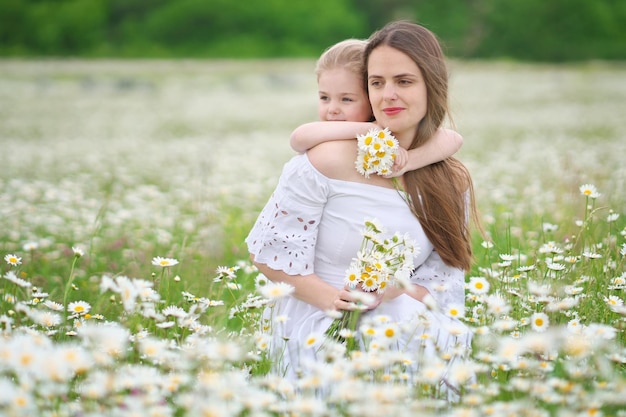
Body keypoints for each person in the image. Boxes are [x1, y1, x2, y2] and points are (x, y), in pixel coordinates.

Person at [246, 21, 479, 387]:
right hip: (322, 325)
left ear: (432, 86)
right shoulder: (325, 160)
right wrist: (339, 302)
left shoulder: (449, 179)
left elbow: (444, 281)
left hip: (409, 329)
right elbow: (269, 254)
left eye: (404, 81)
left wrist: (399, 291)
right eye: (376, 83)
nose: (387, 95)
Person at [289, 38, 463, 177]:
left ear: (371, 98)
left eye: (347, 99)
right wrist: (369, 128)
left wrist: (409, 161)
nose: (332, 109)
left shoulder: (389, 134)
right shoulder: (335, 134)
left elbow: (453, 139)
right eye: (324, 97)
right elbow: (298, 138)